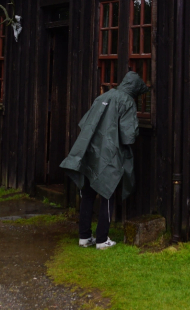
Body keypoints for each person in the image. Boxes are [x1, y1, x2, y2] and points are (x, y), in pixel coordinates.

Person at [60, 70, 148, 250]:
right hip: (110, 153)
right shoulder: (128, 102)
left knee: (88, 193)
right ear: (136, 89)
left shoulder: (104, 96)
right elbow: (128, 136)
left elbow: (85, 122)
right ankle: (102, 239)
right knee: (108, 192)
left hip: (90, 150)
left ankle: (84, 237)